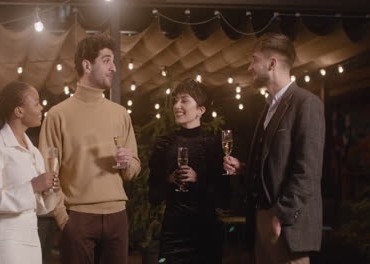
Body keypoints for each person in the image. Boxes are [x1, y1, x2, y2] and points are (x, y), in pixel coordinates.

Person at [224, 32, 325, 264]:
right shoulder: (268, 106)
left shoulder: (306, 103)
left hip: (287, 223)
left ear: (271, 64)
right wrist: (244, 168)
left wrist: (280, 215)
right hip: (261, 217)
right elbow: (275, 162)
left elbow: (308, 172)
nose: (250, 67)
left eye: (254, 60)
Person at [39, 34, 141, 264]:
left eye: (114, 61)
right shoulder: (58, 115)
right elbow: (47, 173)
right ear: (87, 65)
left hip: (117, 217)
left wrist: (128, 163)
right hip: (77, 218)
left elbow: (134, 168)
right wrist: (63, 219)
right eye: (106, 60)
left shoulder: (120, 113)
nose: (114, 68)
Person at [0, 81, 61, 264]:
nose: (41, 108)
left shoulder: (34, 152)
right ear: (19, 111)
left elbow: (39, 207)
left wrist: (49, 192)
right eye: (36, 103)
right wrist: (32, 186)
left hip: (31, 237)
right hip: (6, 240)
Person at [148, 79, 228, 264]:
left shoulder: (214, 144)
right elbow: (153, 195)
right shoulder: (164, 143)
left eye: (184, 100)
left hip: (205, 231)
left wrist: (198, 178)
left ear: (201, 110)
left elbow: (224, 194)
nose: (177, 106)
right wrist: (168, 179)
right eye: (176, 100)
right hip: (173, 231)